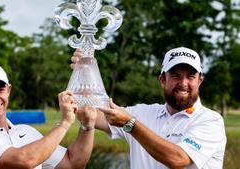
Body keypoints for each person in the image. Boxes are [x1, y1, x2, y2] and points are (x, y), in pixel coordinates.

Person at [71, 47, 226, 169]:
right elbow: (91, 113)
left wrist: (130, 124)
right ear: (162, 80)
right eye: (176, 75)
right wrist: (85, 72)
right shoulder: (143, 113)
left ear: (200, 81)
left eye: (191, 76)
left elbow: (178, 159)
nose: (183, 83)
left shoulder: (211, 121)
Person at [0, 62, 97, 169]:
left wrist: (87, 125)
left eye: (1, 89)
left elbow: (72, 163)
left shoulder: (27, 132)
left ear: (9, 90)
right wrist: (64, 123)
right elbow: (25, 161)